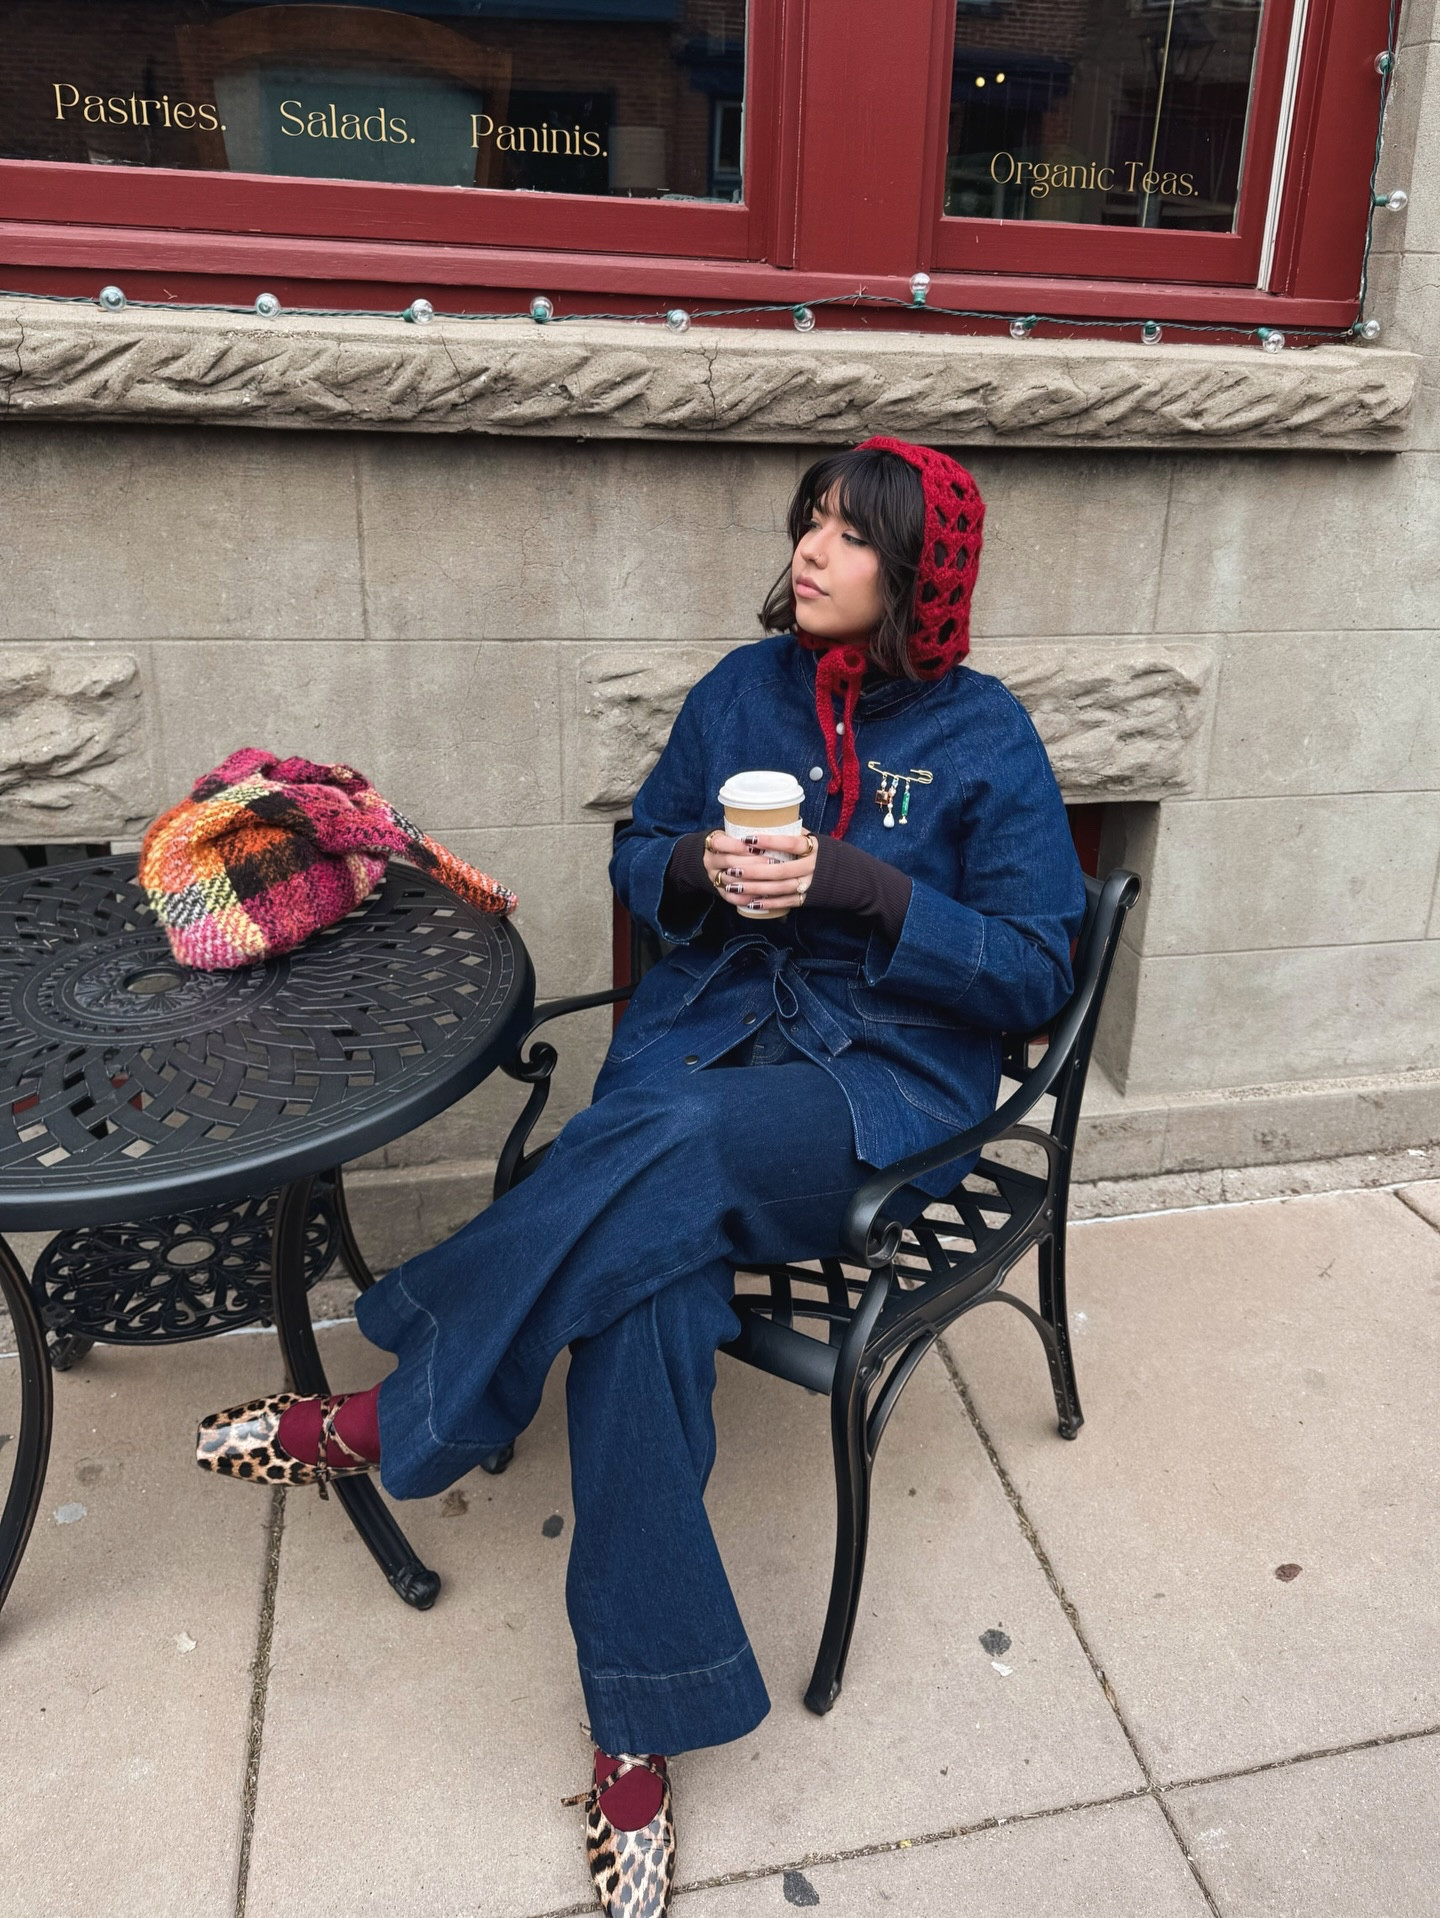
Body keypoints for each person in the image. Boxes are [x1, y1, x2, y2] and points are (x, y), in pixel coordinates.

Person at [195, 436, 1085, 1918]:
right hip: (708, 1035)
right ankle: (635, 1737)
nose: (811, 550)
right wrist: (694, 879)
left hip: (869, 1099)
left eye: (851, 535)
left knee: (661, 1147)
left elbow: (1039, 967)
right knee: (642, 1297)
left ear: (917, 573)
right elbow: (641, 853)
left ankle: (392, 1411)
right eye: (807, 521)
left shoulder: (989, 739)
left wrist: (862, 887)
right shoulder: (740, 693)